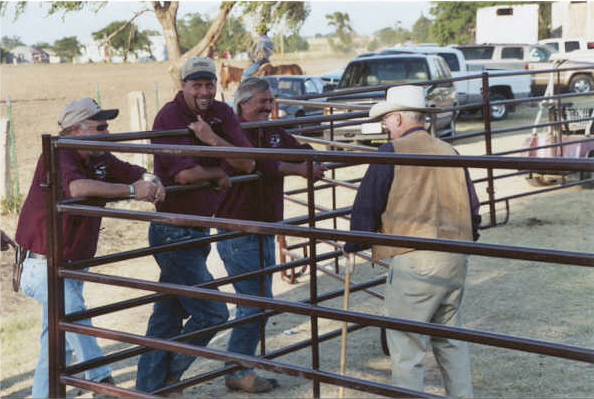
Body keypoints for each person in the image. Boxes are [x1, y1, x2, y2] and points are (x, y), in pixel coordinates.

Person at [15, 97, 165, 398]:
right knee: (73, 313)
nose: (108, 133)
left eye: (107, 126)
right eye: (100, 127)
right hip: (40, 263)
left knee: (55, 342)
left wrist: (151, 179)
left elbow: (132, 170)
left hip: (68, 264)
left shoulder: (99, 158)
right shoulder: (58, 155)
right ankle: (101, 380)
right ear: (76, 130)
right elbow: (76, 188)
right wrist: (134, 191)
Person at [343, 85, 480, 398]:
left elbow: (368, 202)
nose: (386, 128)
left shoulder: (392, 153)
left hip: (414, 256)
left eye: (387, 121)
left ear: (396, 118)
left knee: (406, 345)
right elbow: (473, 208)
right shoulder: (449, 151)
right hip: (455, 254)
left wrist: (353, 242)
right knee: (449, 338)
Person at [135, 56, 256, 393]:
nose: (204, 91)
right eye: (197, 85)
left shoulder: (221, 113)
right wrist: (219, 170)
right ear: (183, 86)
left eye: (209, 84)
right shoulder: (169, 117)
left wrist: (211, 139)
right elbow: (184, 174)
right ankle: (168, 376)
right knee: (214, 314)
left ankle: (149, 387)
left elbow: (247, 162)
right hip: (173, 228)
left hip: (198, 228)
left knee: (166, 317)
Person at [214, 77, 326, 393]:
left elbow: (294, 148)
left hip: (263, 228)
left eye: (270, 100)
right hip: (239, 228)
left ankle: (239, 365)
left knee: (260, 301)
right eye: (262, 101)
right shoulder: (230, 132)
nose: (268, 106)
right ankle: (237, 369)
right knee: (255, 302)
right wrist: (298, 169)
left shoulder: (270, 131)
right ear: (243, 103)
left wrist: (309, 157)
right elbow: (256, 166)